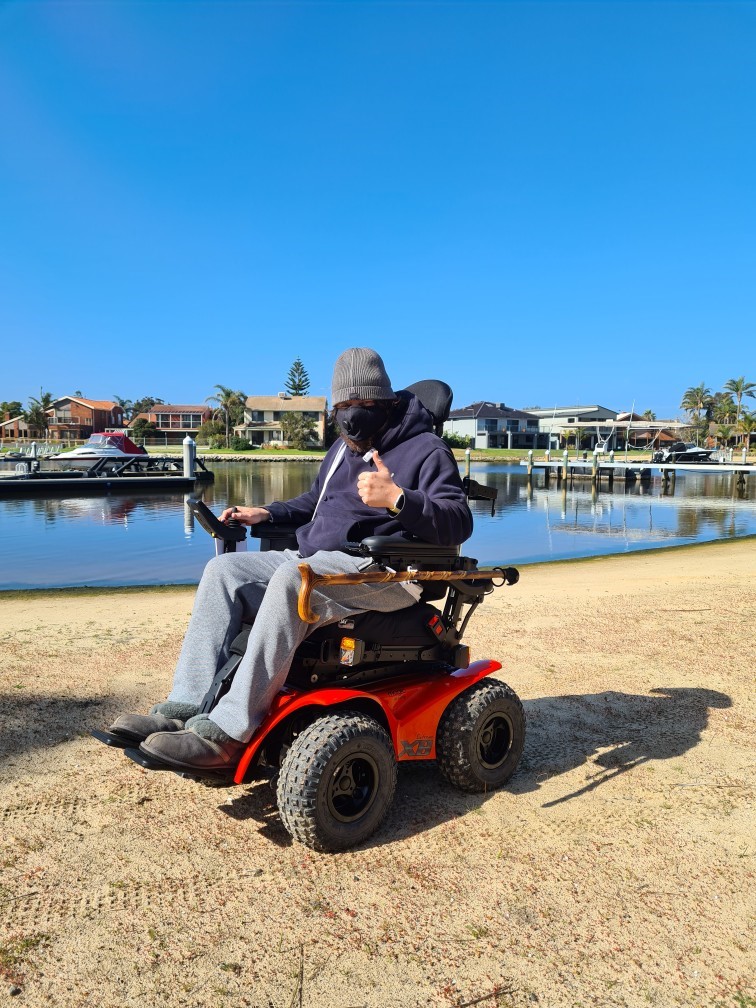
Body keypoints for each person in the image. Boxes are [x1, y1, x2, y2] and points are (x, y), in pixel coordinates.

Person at [107, 348, 473, 772]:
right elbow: (314, 503)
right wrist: (267, 513)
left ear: (386, 402)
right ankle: (184, 707)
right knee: (223, 571)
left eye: (364, 405)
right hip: (317, 558)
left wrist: (397, 500)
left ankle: (227, 732)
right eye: (342, 406)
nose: (352, 415)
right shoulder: (341, 449)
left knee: (292, 578)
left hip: (388, 570)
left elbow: (458, 521)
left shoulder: (427, 450)